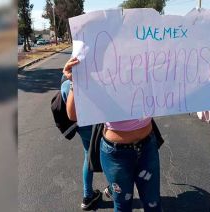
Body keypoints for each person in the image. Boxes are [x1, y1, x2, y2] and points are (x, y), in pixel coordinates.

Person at [64, 58, 162, 212]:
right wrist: (73, 82)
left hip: (147, 148)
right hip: (116, 154)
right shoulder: (98, 56)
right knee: (122, 206)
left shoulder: (146, 51)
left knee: (153, 203)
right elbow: (72, 115)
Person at [61, 58, 101, 210]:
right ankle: (113, 189)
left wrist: (70, 81)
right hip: (101, 126)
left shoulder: (66, 83)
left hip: (82, 127)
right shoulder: (103, 81)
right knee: (110, 156)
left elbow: (70, 113)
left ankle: (87, 196)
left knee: (87, 154)